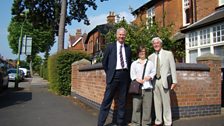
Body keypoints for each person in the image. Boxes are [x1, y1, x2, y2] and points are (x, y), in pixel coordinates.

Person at [97, 27, 132, 126]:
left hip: (124, 76)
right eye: (120, 34)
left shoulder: (128, 48)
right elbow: (104, 62)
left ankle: (120, 123)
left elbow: (129, 63)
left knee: (122, 102)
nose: (121, 36)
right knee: (106, 101)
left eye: (123, 34)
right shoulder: (110, 47)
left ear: (125, 36)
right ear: (116, 35)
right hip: (113, 76)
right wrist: (110, 74)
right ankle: (100, 123)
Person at [148, 37, 177, 126]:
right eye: (154, 43)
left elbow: (173, 68)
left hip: (165, 81)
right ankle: (158, 121)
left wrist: (174, 81)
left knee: (166, 103)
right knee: (157, 103)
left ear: (161, 44)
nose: (156, 45)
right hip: (155, 82)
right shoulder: (150, 57)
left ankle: (168, 122)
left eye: (157, 43)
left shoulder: (168, 54)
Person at [130, 45, 156, 126]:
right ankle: (135, 123)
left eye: (144, 52)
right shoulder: (134, 63)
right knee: (136, 107)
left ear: (146, 53)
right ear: (138, 53)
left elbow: (153, 72)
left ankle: (146, 123)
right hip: (137, 88)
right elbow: (132, 74)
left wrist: (150, 76)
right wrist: (137, 79)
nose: (142, 53)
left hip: (148, 88)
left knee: (147, 108)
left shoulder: (150, 63)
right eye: (140, 52)